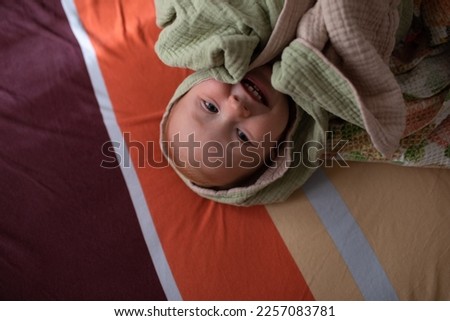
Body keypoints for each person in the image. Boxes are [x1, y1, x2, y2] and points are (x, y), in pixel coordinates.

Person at [155, 0, 449, 206]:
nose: (235, 108)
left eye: (210, 107)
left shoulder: (219, 33)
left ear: (194, 83)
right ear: (281, 148)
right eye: (243, 137)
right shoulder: (334, 84)